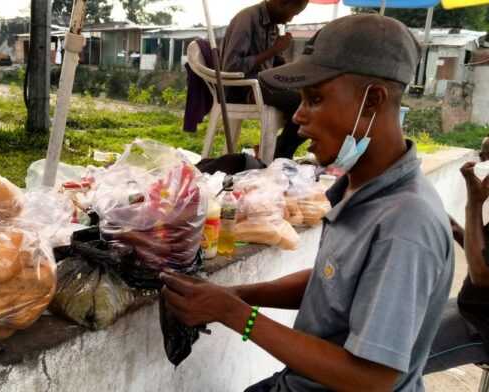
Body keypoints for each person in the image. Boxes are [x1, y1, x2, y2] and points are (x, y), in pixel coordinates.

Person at [161, 14, 454, 391]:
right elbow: (331, 285)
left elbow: (373, 378)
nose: (298, 117)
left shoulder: (404, 225)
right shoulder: (359, 191)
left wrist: (239, 316)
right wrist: (234, 295)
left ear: (373, 101)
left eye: (315, 99)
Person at [423, 136, 489, 374]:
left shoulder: (480, 198)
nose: (481, 165)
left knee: (391, 365)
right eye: (481, 157)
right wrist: (453, 228)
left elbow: (482, 275)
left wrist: (474, 203)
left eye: (485, 159)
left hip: (481, 326)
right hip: (469, 306)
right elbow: (482, 250)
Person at [221, 0, 308, 159]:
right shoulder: (247, 19)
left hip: (265, 84)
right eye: (293, 13)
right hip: (241, 88)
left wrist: (297, 72)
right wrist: (274, 50)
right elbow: (231, 66)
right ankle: (280, 155)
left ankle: (277, 152)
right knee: (302, 104)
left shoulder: (273, 25)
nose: (291, 20)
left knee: (312, 100)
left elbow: (274, 63)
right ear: (282, 3)